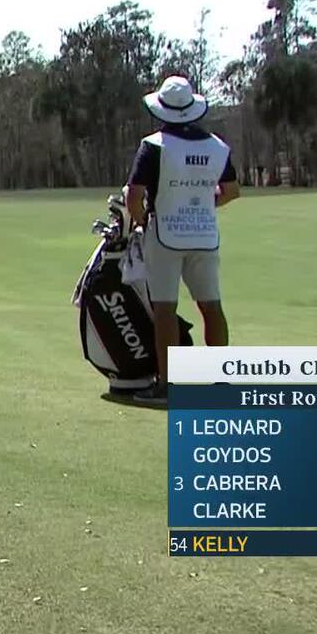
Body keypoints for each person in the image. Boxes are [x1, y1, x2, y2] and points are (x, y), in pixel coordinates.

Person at [124, 76, 241, 408]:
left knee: (164, 309)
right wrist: (205, 204)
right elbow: (231, 191)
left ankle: (166, 384)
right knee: (211, 307)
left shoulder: (154, 145)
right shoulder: (216, 146)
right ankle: (221, 382)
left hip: (165, 235)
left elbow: (134, 196)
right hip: (204, 235)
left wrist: (143, 220)